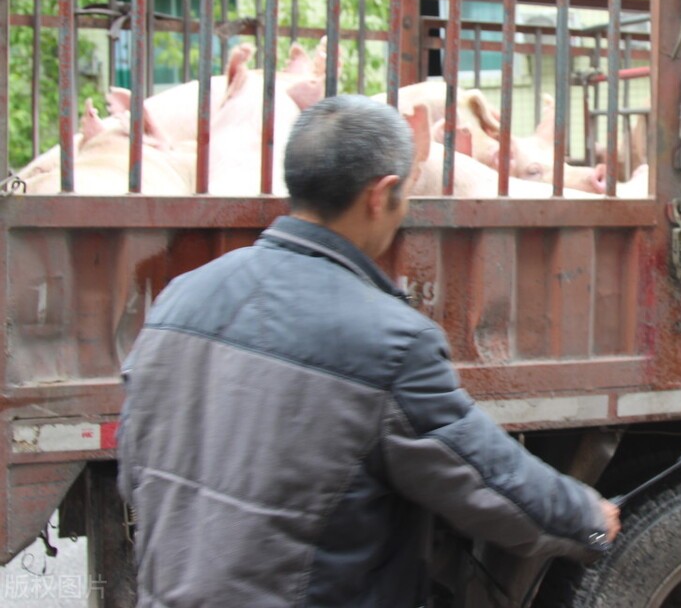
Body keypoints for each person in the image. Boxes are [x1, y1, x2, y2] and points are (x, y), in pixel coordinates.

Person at [117, 94, 620, 607]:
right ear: (380, 195)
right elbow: (486, 480)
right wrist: (587, 520)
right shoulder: (389, 341)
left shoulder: (181, 298)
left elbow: (136, 465)